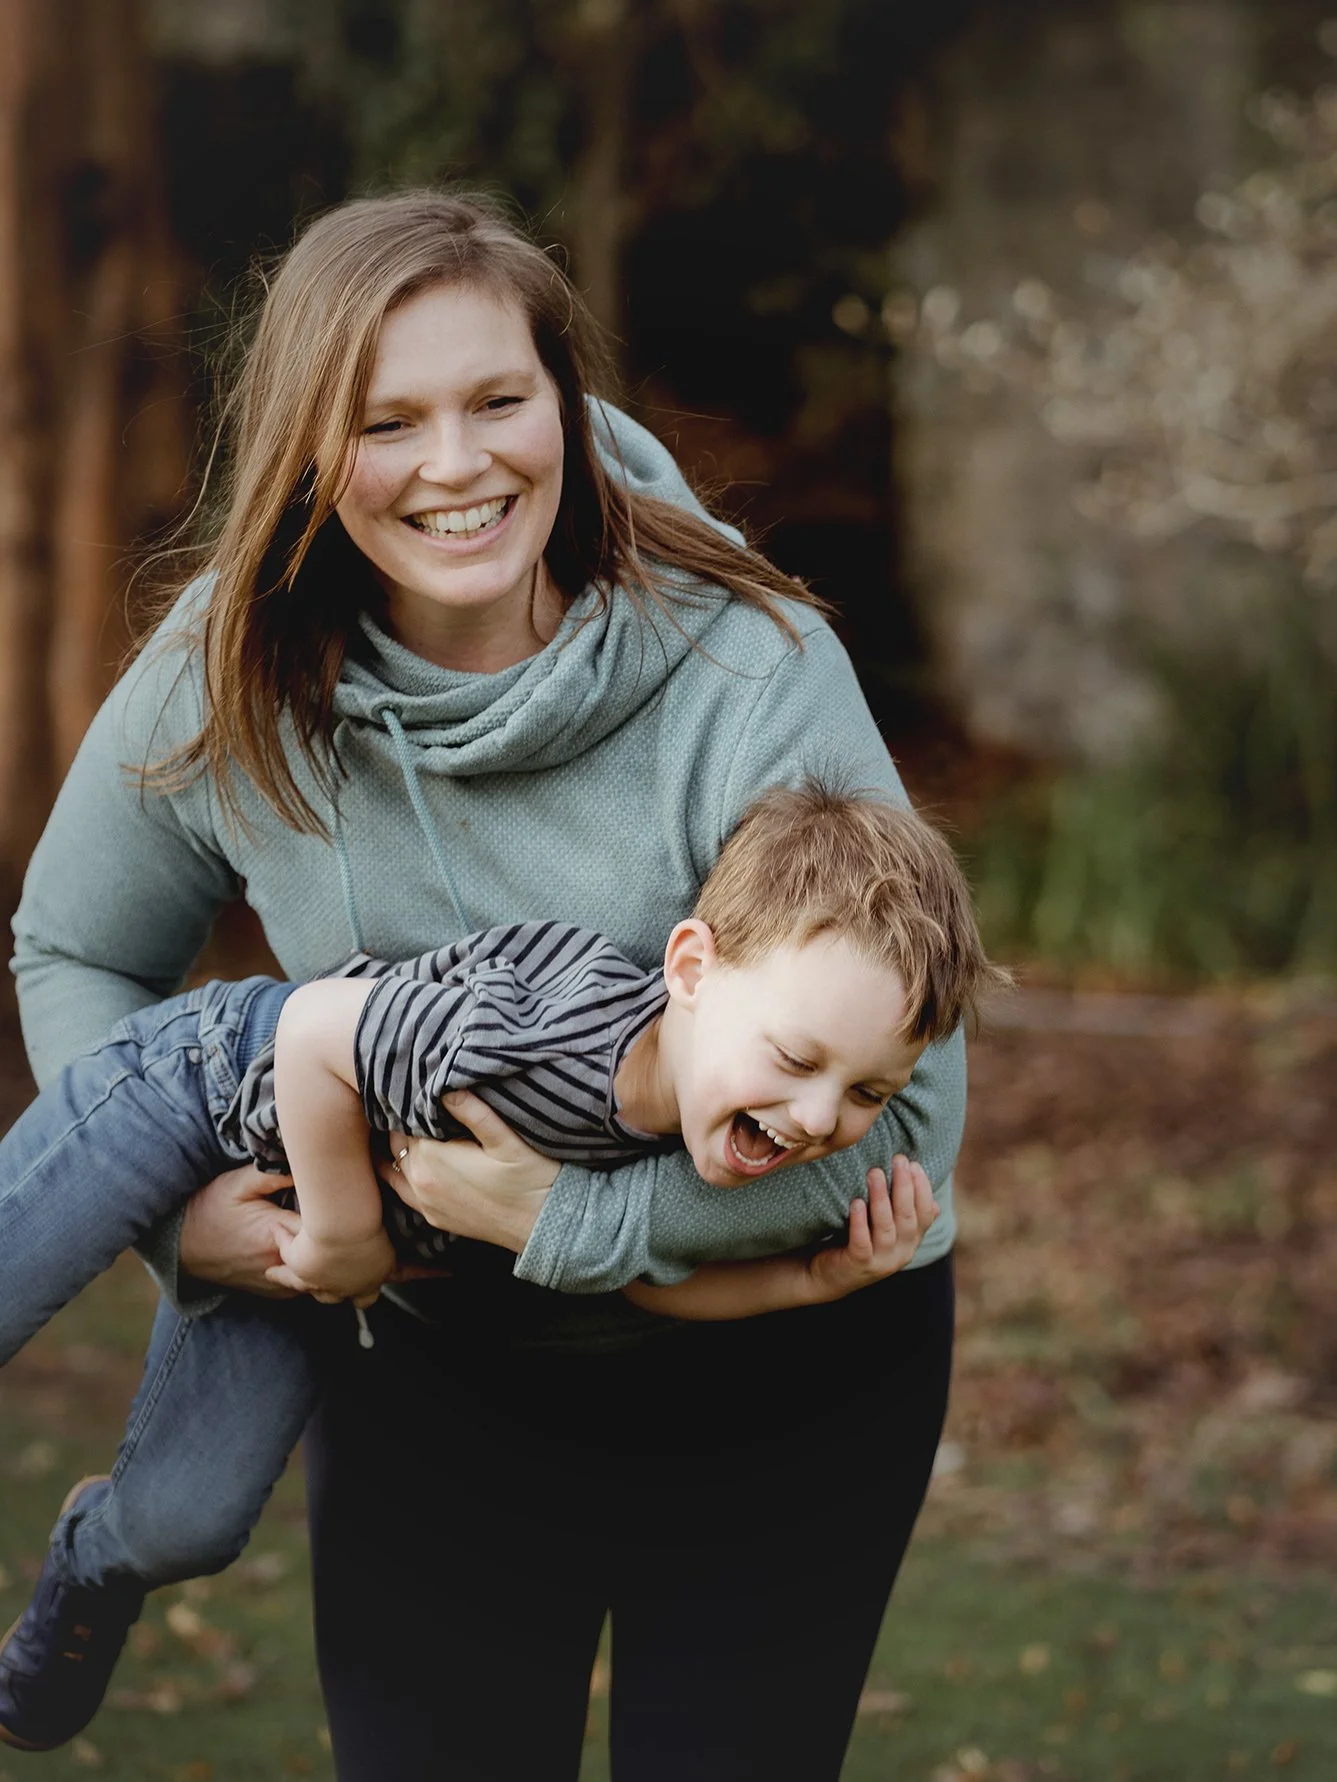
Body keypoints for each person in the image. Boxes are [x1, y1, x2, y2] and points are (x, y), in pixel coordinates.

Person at [8, 191, 971, 1780]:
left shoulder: (748, 666)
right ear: (311, 448)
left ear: (567, 408)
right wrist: (174, 1214)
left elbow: (905, 1104)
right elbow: (79, 949)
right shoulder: (227, 666)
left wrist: (574, 1221)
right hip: (436, 1374)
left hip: (782, 1384)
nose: (457, 466)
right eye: (388, 422)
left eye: (498, 401)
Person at [0, 782, 1004, 1749]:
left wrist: (815, 1281)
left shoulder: (691, 1137)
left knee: (187, 1523)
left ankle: (89, 1565)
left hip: (304, 1233)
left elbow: (649, 1285)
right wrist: (347, 1237)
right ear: (691, 972)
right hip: (197, 1089)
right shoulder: (547, 1039)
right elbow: (312, 1035)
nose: (822, 1118)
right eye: (795, 1059)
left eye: (868, 1091)